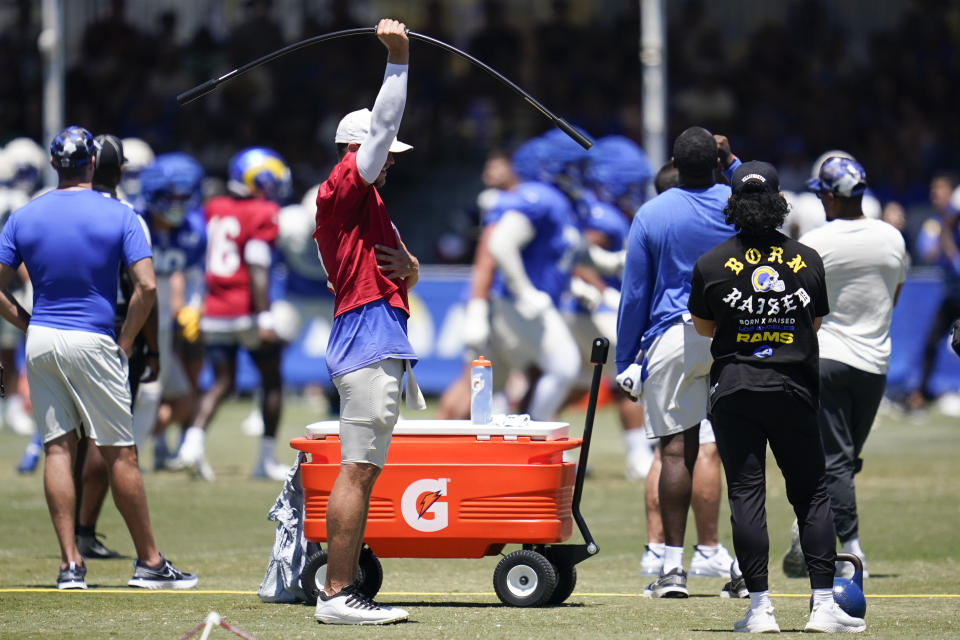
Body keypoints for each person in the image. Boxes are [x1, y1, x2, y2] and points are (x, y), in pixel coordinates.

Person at [0, 125, 195, 590]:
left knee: (57, 448)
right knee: (120, 453)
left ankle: (71, 565)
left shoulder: (25, 215)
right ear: (93, 163)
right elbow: (147, 287)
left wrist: (28, 324)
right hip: (94, 338)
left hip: (43, 339)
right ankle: (149, 563)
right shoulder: (120, 215)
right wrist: (126, 340)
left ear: (54, 165)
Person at [688, 160, 865, 633]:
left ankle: (760, 609)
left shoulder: (711, 263)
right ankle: (824, 606)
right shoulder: (807, 259)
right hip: (793, 388)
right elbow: (816, 324)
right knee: (810, 494)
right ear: (778, 203)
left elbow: (705, 329)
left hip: (736, 390)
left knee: (746, 496)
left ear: (733, 205)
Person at [310, 18, 424, 625]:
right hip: (365, 336)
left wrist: (410, 266)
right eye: (384, 157)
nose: (391, 164)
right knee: (357, 469)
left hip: (373, 333)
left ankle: (342, 588)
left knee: (363, 468)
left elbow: (407, 272)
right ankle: (337, 595)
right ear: (356, 154)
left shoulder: (370, 202)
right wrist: (399, 59)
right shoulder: (343, 188)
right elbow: (383, 126)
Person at [616, 127, 739, 598]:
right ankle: (745, 568)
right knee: (741, 451)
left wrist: (628, 356)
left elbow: (635, 294)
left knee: (675, 452)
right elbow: (762, 193)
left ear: (672, 162)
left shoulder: (651, 213)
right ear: (715, 161)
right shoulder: (734, 202)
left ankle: (671, 569)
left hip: (674, 335)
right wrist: (731, 161)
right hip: (734, 333)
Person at [779, 157, 907, 580]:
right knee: (845, 460)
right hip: (875, 363)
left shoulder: (818, 242)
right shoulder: (891, 238)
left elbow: (797, 304)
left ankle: (849, 549)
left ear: (831, 196)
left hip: (829, 356)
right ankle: (820, 533)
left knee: (836, 461)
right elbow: (895, 297)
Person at [174, 146, 289, 482]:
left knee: (222, 382)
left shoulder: (215, 208)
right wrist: (264, 317)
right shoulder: (261, 211)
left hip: (214, 308)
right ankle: (265, 459)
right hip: (246, 311)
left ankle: (191, 446)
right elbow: (257, 265)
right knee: (272, 381)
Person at [73, 133, 161, 560]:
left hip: (61, 325)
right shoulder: (129, 216)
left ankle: (69, 534)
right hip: (113, 327)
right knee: (107, 437)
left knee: (64, 439)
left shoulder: (58, 209)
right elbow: (146, 288)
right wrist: (150, 346)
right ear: (121, 169)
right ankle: (84, 530)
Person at [136, 153, 207, 469]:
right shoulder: (136, 222)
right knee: (143, 394)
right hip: (132, 324)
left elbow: (192, 274)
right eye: (171, 196)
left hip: (163, 325)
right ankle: (125, 453)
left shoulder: (193, 229)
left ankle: (128, 448)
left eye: (183, 196)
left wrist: (192, 307)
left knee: (180, 400)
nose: (178, 203)